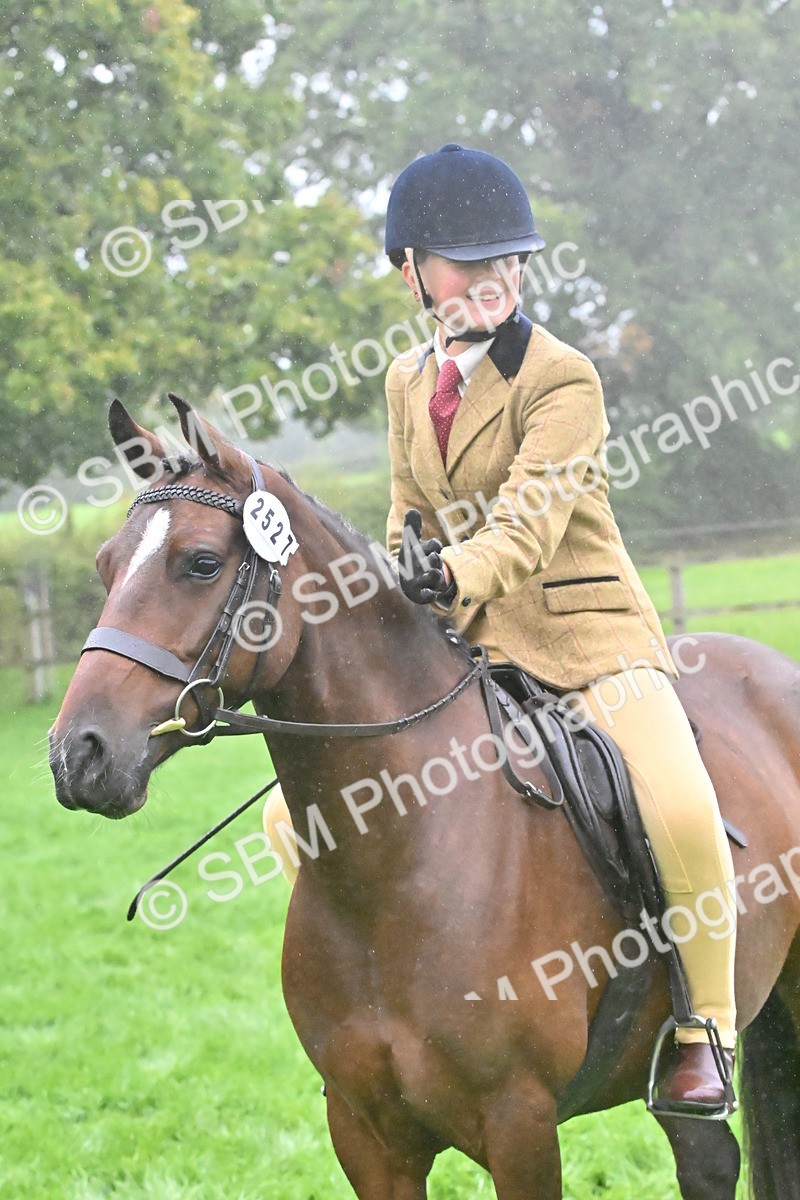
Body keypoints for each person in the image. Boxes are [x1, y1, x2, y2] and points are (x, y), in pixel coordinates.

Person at [381, 142, 737, 1116]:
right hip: (470, 649)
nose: (494, 276)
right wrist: (394, 579)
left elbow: (528, 526)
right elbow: (407, 508)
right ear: (410, 270)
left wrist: (446, 573)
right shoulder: (404, 383)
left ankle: (703, 1027)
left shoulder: (562, 377)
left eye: (508, 257)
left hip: (587, 638)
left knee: (675, 806)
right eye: (467, 260)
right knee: (301, 813)